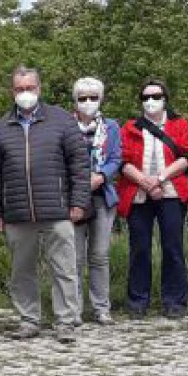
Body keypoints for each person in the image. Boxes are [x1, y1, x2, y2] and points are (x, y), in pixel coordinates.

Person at [0, 67, 91, 342]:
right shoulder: (0, 128)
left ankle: (66, 321)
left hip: (57, 208)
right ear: (12, 92)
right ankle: (29, 319)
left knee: (64, 268)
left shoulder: (63, 121)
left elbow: (79, 165)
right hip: (17, 212)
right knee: (22, 271)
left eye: (29, 88)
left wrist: (79, 201)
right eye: (19, 89)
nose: (24, 94)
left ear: (39, 89)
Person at [118, 80, 188, 319]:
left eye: (156, 96)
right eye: (145, 97)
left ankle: (174, 301)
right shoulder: (130, 127)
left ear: (165, 98)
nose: (150, 101)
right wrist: (145, 181)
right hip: (139, 193)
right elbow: (121, 161)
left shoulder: (179, 124)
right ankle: (137, 302)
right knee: (139, 248)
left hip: (171, 191)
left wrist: (161, 178)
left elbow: (187, 155)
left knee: (173, 247)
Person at [68, 77, 121, 325]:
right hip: (74, 198)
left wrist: (100, 176)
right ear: (75, 100)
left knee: (99, 255)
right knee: (75, 256)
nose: (88, 102)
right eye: (82, 97)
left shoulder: (111, 127)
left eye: (93, 97)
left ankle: (101, 307)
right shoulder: (65, 125)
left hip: (102, 197)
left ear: (101, 99)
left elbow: (116, 158)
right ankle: (74, 308)